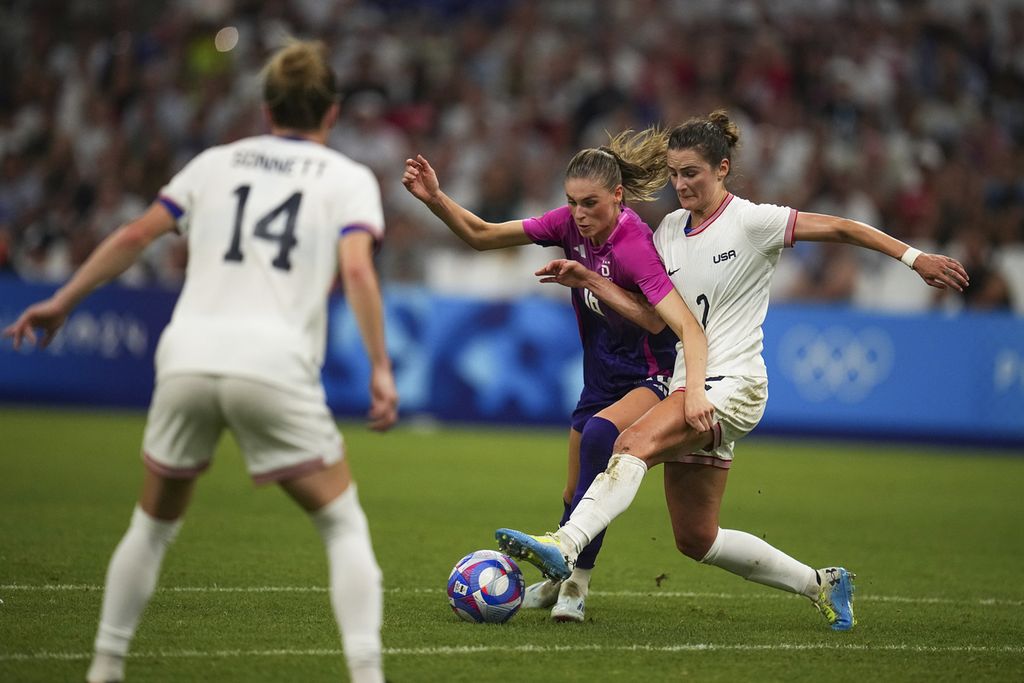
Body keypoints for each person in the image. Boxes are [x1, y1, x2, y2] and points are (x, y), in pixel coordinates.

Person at [3, 40, 398, 683]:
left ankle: (104, 668)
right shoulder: (348, 178)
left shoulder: (214, 163)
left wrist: (61, 301)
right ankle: (367, 675)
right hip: (273, 363)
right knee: (341, 524)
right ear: (331, 112)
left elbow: (135, 235)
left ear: (267, 105)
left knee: (152, 526)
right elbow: (356, 266)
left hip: (186, 355)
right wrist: (381, 366)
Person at [496, 110, 969, 631]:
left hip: (733, 384)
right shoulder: (671, 229)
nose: (681, 184)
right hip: (691, 385)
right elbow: (657, 318)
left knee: (627, 445)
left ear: (722, 169)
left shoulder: (752, 221)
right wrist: (589, 278)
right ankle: (823, 583)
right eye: (675, 173)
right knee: (696, 538)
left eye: (692, 172)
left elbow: (840, 226)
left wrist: (913, 257)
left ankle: (564, 546)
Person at [401, 131, 715, 622]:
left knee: (599, 437)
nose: (580, 214)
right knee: (575, 494)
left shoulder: (633, 245)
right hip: (602, 377)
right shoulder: (567, 225)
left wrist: (589, 279)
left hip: (652, 374)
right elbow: (482, 235)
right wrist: (436, 199)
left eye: (590, 203)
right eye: (572, 203)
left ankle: (575, 589)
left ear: (617, 197)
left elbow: (657, 321)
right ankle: (556, 583)